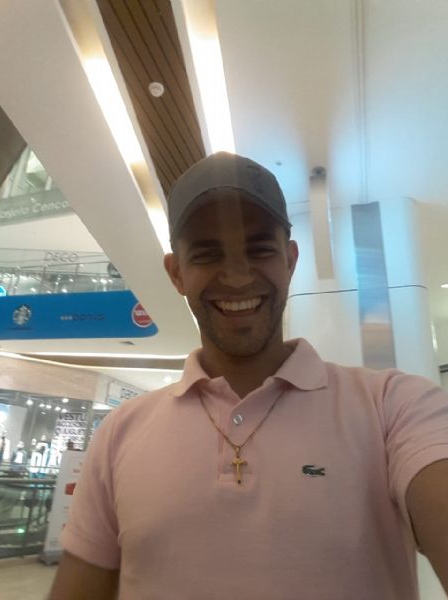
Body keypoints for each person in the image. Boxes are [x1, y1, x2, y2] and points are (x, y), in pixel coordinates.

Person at [50, 152, 448, 599]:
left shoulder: (395, 407)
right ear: (176, 273)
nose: (238, 278)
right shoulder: (118, 433)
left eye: (259, 249)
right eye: (207, 254)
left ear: (290, 260)